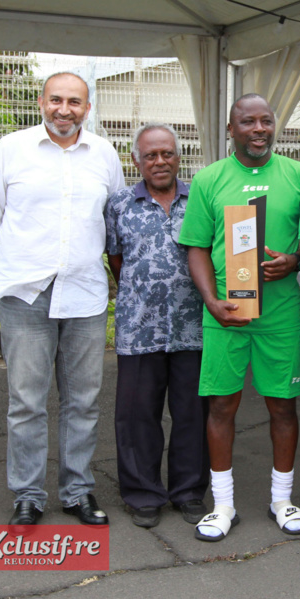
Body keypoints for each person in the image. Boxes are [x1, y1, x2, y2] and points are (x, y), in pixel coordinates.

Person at [0, 72, 124, 526]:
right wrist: (29, 262)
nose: (64, 109)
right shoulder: (9, 150)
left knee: (83, 400)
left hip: (85, 295)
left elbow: (112, 217)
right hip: (24, 295)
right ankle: (29, 495)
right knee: (27, 401)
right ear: (41, 102)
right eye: (56, 99)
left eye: (74, 102)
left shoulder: (104, 154)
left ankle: (78, 491)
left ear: (87, 109)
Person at [178, 94, 300, 542]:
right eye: (247, 121)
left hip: (280, 315)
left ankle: (282, 498)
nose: (259, 129)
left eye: (266, 121)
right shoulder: (210, 180)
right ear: (230, 130)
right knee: (221, 406)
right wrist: (212, 300)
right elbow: (196, 245)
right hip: (227, 313)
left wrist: (293, 261)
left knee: (283, 405)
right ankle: (223, 504)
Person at [104, 123, 209, 528]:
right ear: (136, 160)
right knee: (137, 415)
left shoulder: (200, 198)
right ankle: (143, 493)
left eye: (167, 153)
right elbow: (117, 260)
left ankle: (188, 491)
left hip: (194, 328)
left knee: (192, 414)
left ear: (179, 156)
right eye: (150, 155)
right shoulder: (118, 205)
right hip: (138, 329)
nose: (159, 161)